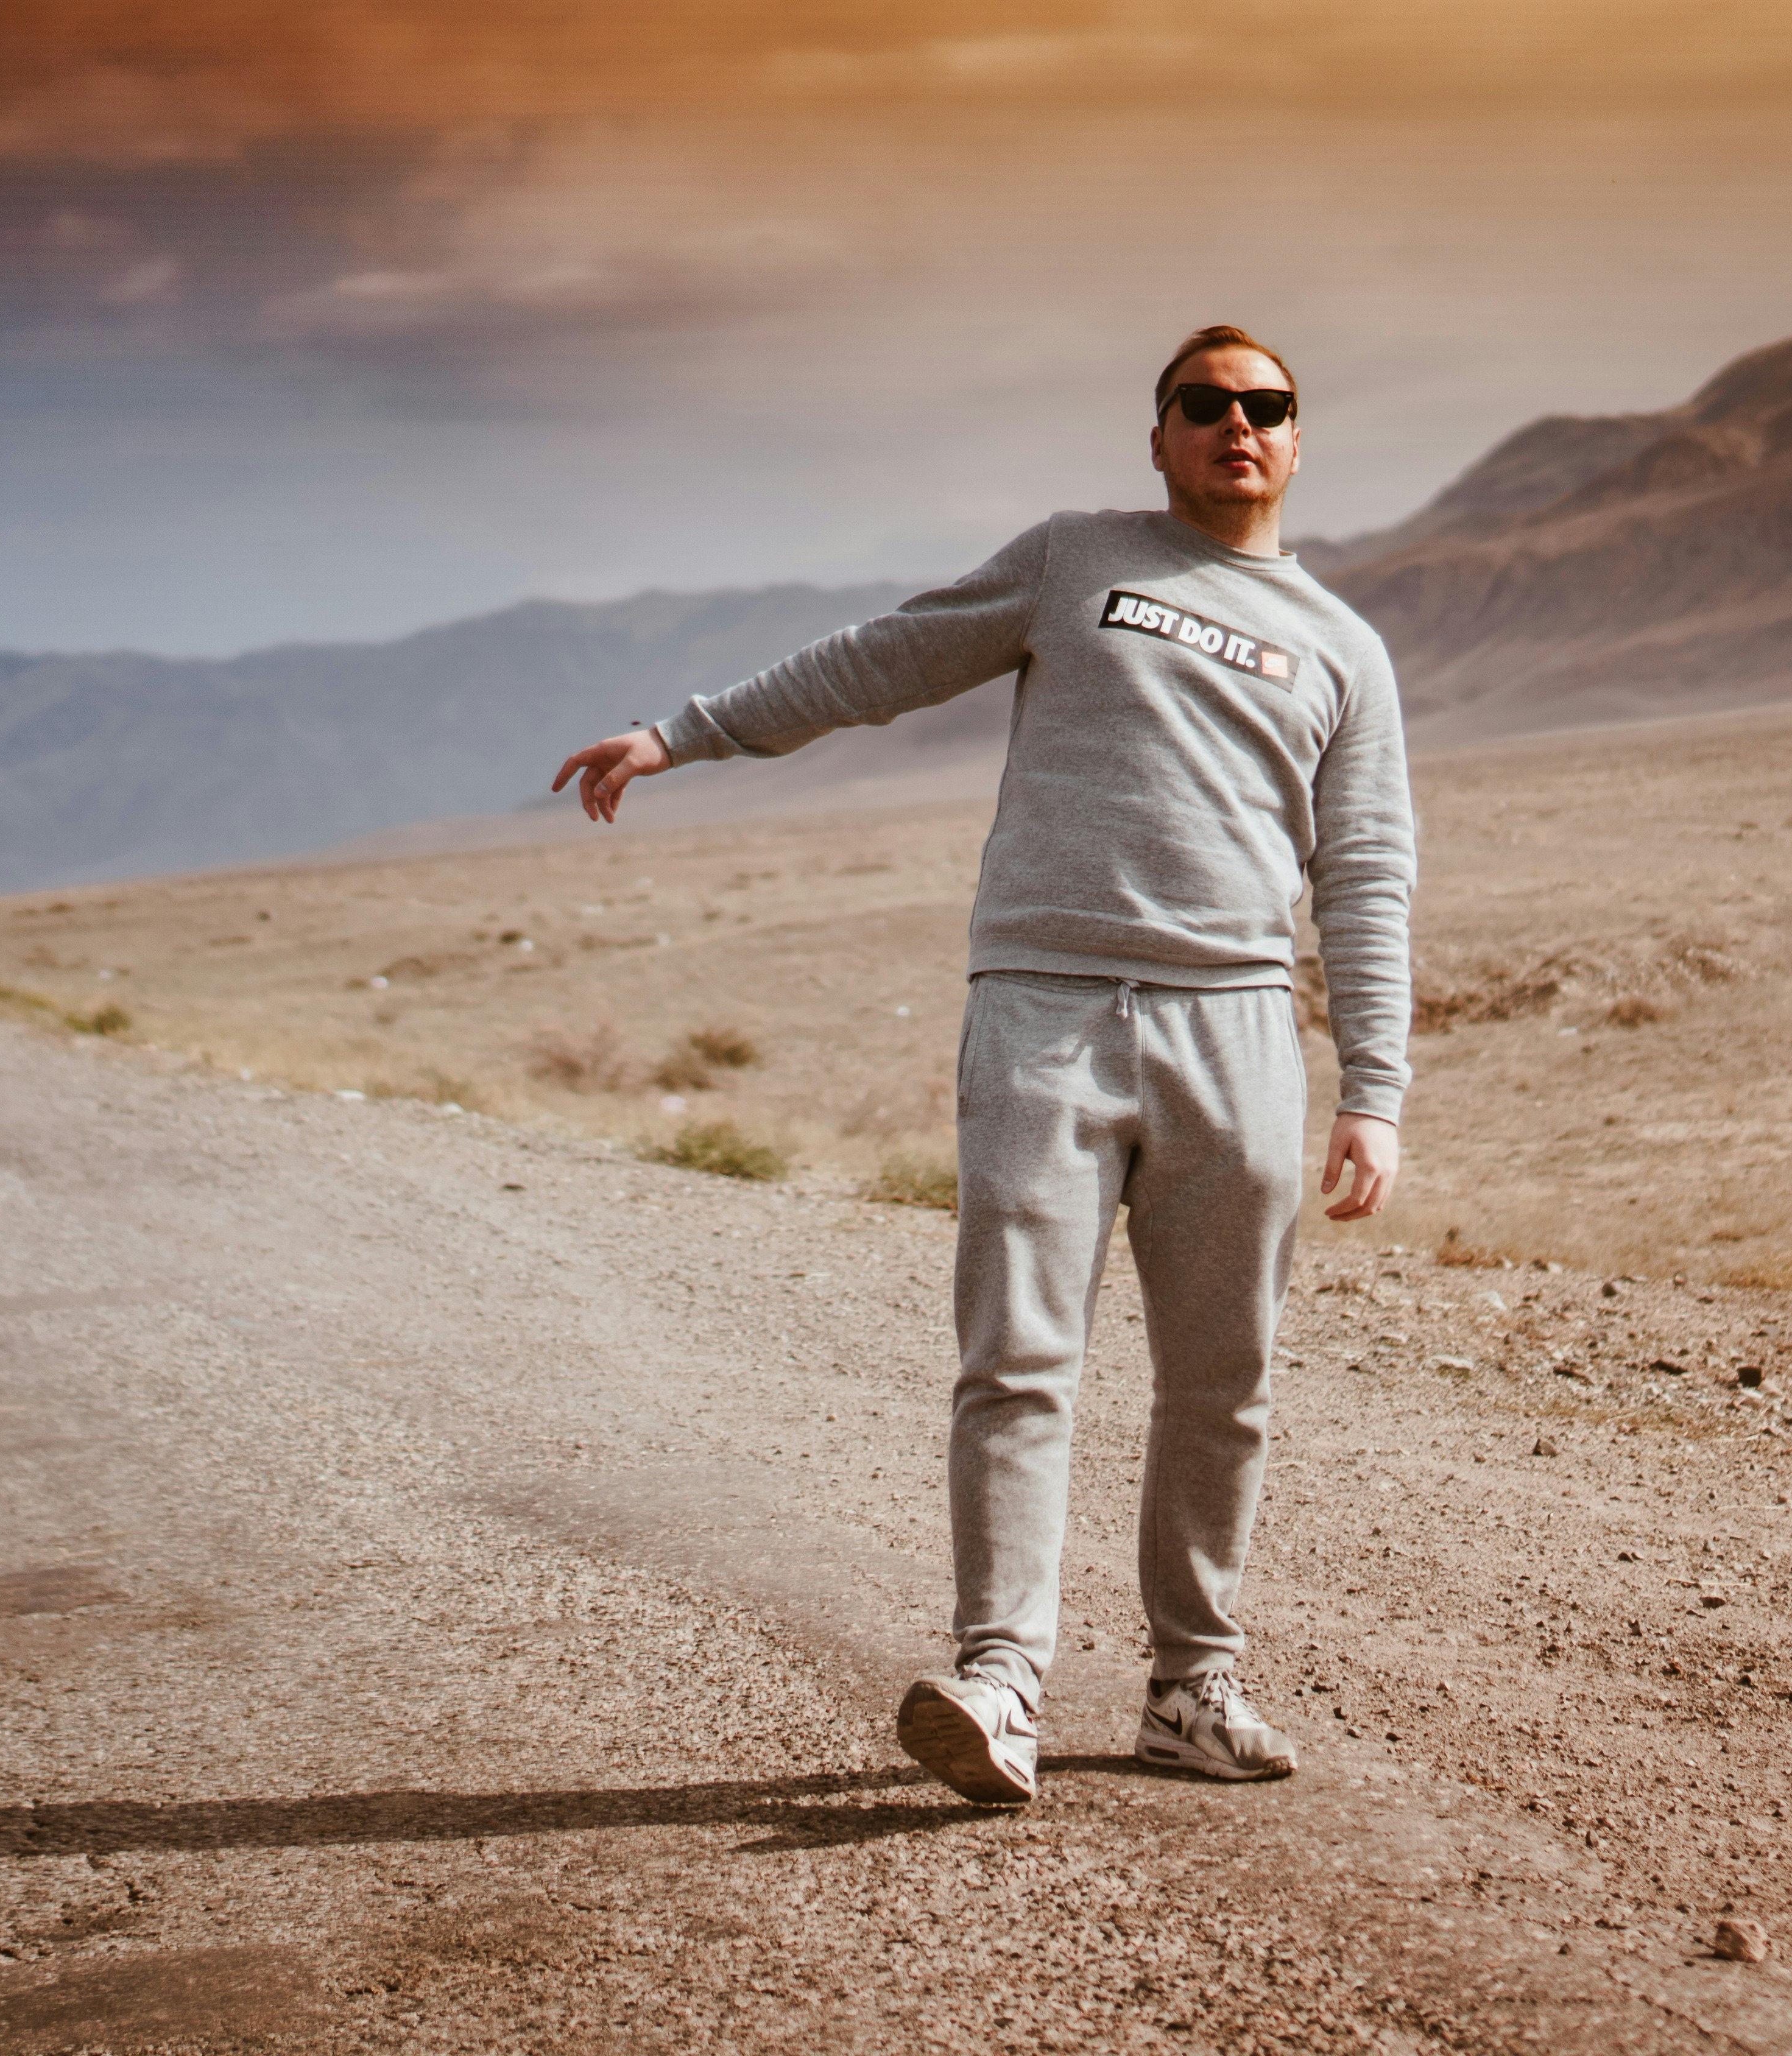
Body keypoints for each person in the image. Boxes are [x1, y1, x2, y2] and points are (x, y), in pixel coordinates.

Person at [548, 325, 1414, 1804]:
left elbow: (1369, 875)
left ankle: (1192, 1687)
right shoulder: (1079, 560)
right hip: (1044, 1011)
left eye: (1266, 407)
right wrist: (683, 733)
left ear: (1295, 436)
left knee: (1227, 1379)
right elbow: (883, 656)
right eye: (1203, 405)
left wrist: (1376, 1090)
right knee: (1017, 1362)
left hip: (1240, 1030)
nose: (1236, 427)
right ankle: (1000, 1682)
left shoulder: (1344, 645)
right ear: (1158, 436)